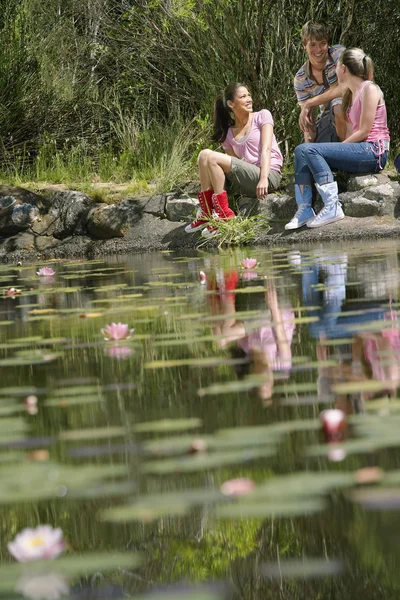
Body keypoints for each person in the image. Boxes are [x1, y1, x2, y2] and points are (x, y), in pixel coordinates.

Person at [285, 48, 390, 230]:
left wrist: (338, 149)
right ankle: (305, 207)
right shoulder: (351, 91)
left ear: (343, 69)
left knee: (312, 150)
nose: (334, 70)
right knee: (302, 149)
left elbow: (365, 131)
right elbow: (350, 128)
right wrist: (307, 111)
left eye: (336, 66)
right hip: (361, 150)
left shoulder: (370, 89)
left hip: (374, 151)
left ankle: (332, 205)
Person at [185, 82, 283, 239]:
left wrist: (264, 178)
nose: (249, 99)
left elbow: (266, 149)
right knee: (204, 154)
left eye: (249, 95)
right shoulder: (228, 133)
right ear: (231, 104)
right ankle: (207, 212)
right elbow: (235, 165)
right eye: (243, 96)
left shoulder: (262, 116)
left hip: (268, 176)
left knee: (212, 156)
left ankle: (224, 214)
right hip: (247, 181)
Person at [295, 21, 346, 143]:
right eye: (312, 45)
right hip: (327, 120)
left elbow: (345, 88)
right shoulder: (301, 78)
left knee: (338, 106)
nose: (318, 49)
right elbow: (308, 120)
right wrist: (308, 141)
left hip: (351, 106)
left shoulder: (338, 53)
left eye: (322, 44)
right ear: (304, 46)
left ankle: (347, 152)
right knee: (304, 150)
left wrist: (310, 102)